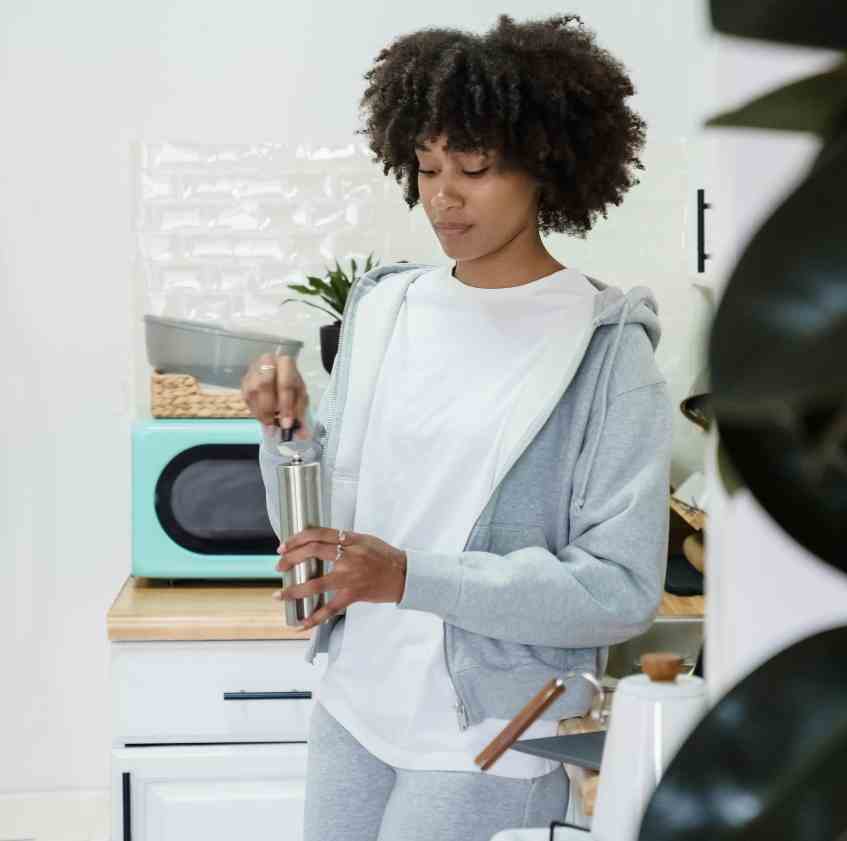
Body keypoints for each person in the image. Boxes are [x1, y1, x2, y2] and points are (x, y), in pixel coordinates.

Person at [241, 13, 671, 841]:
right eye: (428, 165)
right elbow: (325, 525)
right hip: (354, 704)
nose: (443, 194)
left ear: (546, 164)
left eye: (474, 168)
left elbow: (619, 592)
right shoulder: (386, 306)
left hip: (490, 737)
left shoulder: (605, 350)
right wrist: (287, 437)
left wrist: (407, 576)